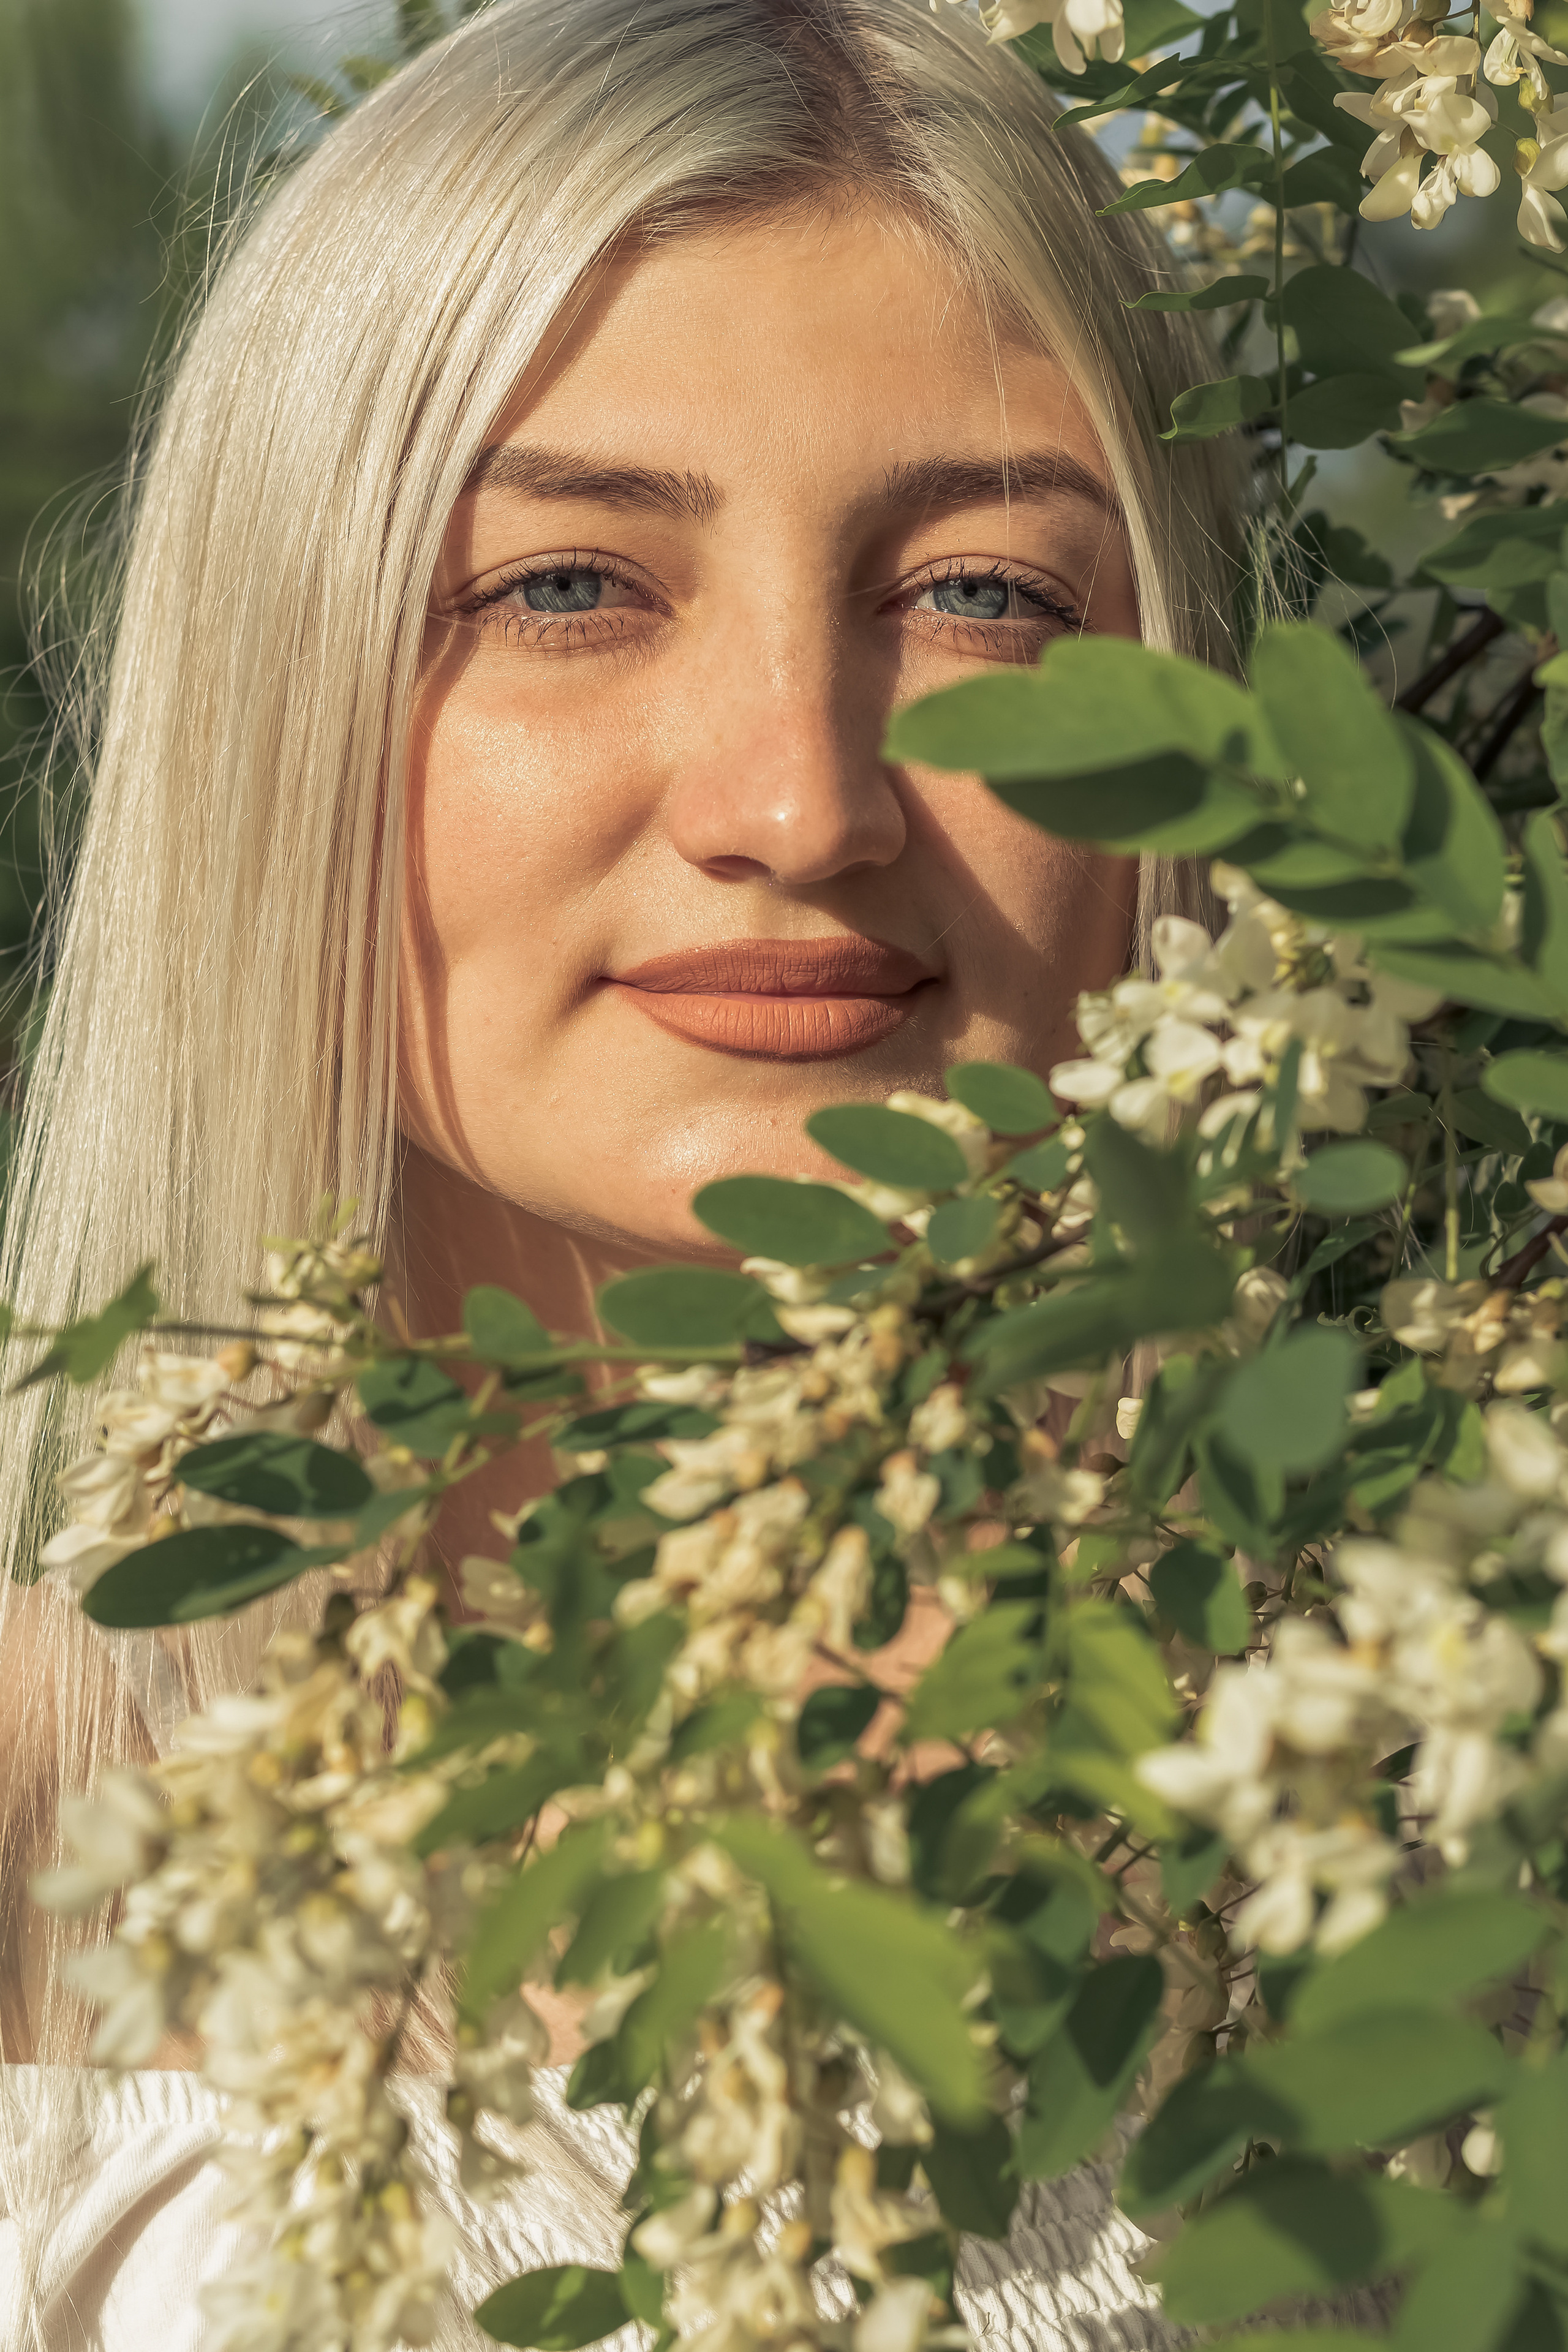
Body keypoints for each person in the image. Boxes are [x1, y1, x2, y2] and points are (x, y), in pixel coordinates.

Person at [0, 0, 1243, 2343]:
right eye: (569, 585)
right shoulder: (25, 1861)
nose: (799, 799)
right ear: (283, 701)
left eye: (983, 593)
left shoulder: (1407, 1817)